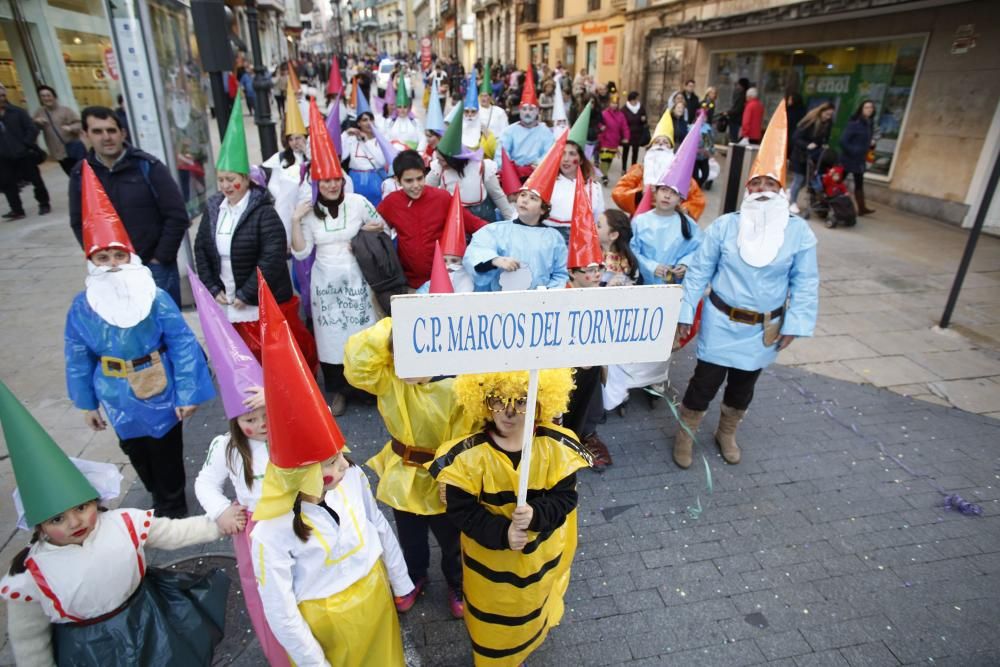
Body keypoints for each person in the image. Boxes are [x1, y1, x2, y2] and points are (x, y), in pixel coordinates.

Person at [0, 381, 228, 667]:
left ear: (95, 500)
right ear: (39, 526)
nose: (74, 522)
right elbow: (30, 641)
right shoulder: (30, 575)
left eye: (82, 507)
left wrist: (219, 524)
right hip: (89, 652)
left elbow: (173, 533)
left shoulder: (123, 523)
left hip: (151, 622)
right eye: (57, 518)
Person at [250, 278, 414, 667]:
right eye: (330, 464)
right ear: (297, 473)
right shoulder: (270, 531)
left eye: (340, 456)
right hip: (326, 622)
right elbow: (281, 608)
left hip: (374, 598)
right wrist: (312, 661)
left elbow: (377, 525)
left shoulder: (351, 478)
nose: (345, 467)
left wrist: (400, 580)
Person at [672, 101, 818, 469]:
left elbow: (805, 282)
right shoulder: (725, 226)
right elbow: (699, 272)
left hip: (762, 328)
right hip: (722, 322)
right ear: (748, 188)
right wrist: (686, 313)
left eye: (772, 183)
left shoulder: (798, 233)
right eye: (758, 183)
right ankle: (686, 434)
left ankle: (726, 432)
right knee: (703, 383)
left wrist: (796, 324)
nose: (764, 189)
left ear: (781, 190)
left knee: (743, 386)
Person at [66, 163, 215, 517]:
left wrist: (187, 392)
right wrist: (87, 403)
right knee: (135, 450)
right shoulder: (83, 306)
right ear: (92, 261)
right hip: (115, 391)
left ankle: (173, 507)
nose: (113, 264)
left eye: (119, 255)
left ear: (129, 255)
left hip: (157, 383)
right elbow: (77, 352)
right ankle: (156, 495)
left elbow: (181, 342)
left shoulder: (153, 296)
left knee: (165, 451)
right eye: (104, 257)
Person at [428, 369, 592, 666]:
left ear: (541, 402)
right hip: (489, 572)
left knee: (530, 616)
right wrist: (501, 532)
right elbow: (461, 511)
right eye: (498, 400)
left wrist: (537, 514)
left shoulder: (557, 446)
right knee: (493, 633)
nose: (509, 410)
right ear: (482, 401)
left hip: (538, 564)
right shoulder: (467, 456)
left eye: (521, 401)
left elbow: (566, 497)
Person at [345, 316, 477, 618]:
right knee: (410, 534)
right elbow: (357, 363)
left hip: (443, 474)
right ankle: (414, 575)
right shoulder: (389, 377)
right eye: (400, 359)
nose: (404, 369)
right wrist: (399, 326)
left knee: (452, 537)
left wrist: (452, 476)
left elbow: (466, 434)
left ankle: (458, 583)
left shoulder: (457, 388)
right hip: (403, 473)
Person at [189, 273, 289, 667]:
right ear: (234, 420)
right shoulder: (228, 448)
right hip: (255, 534)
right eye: (249, 420)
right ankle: (281, 656)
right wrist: (220, 511)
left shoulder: (289, 431)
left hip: (296, 523)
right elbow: (204, 482)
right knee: (266, 597)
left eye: (266, 414)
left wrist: (280, 396)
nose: (260, 425)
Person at [194, 93, 318, 371]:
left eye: (232, 180)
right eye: (222, 180)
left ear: (246, 180)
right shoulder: (214, 207)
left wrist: (247, 293)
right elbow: (201, 249)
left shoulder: (264, 211)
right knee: (242, 364)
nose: (226, 186)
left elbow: (272, 257)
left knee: (274, 360)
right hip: (227, 299)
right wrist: (214, 288)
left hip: (259, 300)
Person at [291, 101, 384, 415]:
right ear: (318, 183)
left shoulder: (357, 203)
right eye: (325, 181)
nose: (331, 184)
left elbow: (381, 224)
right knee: (331, 337)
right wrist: (295, 220)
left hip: (357, 278)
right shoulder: (310, 213)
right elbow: (301, 251)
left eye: (336, 180)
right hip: (326, 283)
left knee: (361, 332)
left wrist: (367, 233)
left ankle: (365, 387)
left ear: (342, 181)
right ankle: (339, 392)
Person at [69, 106, 188, 305]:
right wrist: (101, 258)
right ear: (85, 135)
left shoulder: (148, 167)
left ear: (122, 133)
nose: (106, 137)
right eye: (97, 131)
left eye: (111, 130)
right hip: (110, 270)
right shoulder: (81, 174)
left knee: (164, 328)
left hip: (153, 266)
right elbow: (78, 222)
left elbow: (177, 216)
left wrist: (160, 258)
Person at [464, 133, 570, 292]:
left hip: (539, 306)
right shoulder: (496, 231)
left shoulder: (554, 238)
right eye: (522, 195)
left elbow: (560, 274)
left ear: (543, 209)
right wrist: (495, 260)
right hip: (502, 305)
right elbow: (475, 253)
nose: (525, 200)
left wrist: (549, 293)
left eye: (533, 198)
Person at [377, 150, 488, 289]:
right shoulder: (392, 202)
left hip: (445, 280)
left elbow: (472, 223)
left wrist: (502, 231)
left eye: (419, 178)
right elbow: (375, 225)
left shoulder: (442, 197)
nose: (416, 185)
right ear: (398, 180)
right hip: (411, 284)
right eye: (409, 181)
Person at [563, 172, 614, 470]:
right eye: (587, 270)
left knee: (592, 381)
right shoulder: (556, 296)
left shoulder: (604, 294)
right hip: (561, 366)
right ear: (572, 274)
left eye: (598, 269)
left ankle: (587, 434)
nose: (595, 275)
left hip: (593, 363)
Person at [428, 102, 515, 222]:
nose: (439, 162)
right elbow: (425, 191)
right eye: (438, 159)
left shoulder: (482, 166)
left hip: (481, 216)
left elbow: (497, 196)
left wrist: (512, 220)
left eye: (442, 160)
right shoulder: (438, 167)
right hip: (452, 217)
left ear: (454, 159)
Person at [546, 108, 604, 240]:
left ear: (581, 159)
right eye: (563, 154)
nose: (566, 159)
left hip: (581, 242)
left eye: (572, 154)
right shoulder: (549, 183)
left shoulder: (594, 188)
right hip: (550, 240)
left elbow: (598, 218)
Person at [0, 83, 50, 220]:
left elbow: (31, 129)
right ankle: (17, 210)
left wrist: (26, 144)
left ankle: (44, 203)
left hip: (24, 154)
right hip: (4, 157)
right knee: (7, 184)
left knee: (36, 180)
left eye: (2, 94)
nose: (1, 97)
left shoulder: (17, 112)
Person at [498, 67, 554, 182]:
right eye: (524, 109)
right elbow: (501, 153)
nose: (527, 112)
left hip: (538, 176)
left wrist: (536, 165)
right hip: (513, 176)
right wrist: (511, 169)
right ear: (519, 111)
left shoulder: (545, 131)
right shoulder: (509, 132)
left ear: (537, 111)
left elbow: (549, 153)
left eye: (531, 109)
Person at [788, 101, 835, 214]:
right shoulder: (810, 121)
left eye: (830, 115)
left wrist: (824, 145)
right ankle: (792, 202)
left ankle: (791, 192)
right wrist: (807, 145)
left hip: (812, 156)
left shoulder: (828, 124)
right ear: (821, 112)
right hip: (800, 155)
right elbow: (795, 137)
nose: (828, 117)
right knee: (799, 179)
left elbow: (824, 138)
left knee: (805, 181)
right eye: (827, 114)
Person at [342, 103, 388, 206]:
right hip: (355, 179)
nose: (369, 123)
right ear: (358, 123)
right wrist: (345, 134)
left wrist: (366, 140)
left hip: (376, 179)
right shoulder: (352, 139)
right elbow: (341, 156)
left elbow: (381, 161)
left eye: (371, 119)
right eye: (365, 120)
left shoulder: (381, 139)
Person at [32, 85, 84, 176]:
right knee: (71, 175)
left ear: (54, 97)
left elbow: (79, 124)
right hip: (57, 152)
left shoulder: (65, 111)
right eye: (43, 96)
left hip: (72, 148)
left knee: (83, 173)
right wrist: (36, 123)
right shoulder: (39, 112)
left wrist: (71, 128)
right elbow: (34, 131)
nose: (46, 98)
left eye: (48, 95)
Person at [839, 99, 877, 215]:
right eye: (866, 107)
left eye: (871, 107)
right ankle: (826, 200)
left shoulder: (869, 124)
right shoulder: (855, 123)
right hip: (849, 158)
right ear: (861, 109)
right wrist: (854, 151)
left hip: (860, 159)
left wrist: (871, 144)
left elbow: (864, 140)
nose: (869, 109)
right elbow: (843, 141)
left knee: (859, 183)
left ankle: (861, 207)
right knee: (838, 180)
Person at [597, 209, 638, 287]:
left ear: (613, 235)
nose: (593, 228)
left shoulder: (627, 264)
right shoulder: (590, 255)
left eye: (599, 226)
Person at [597, 95, 629, 186]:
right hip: (605, 139)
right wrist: (601, 127)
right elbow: (598, 122)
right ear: (609, 103)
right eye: (612, 103)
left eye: (615, 103)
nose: (614, 105)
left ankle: (604, 173)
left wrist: (626, 137)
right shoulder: (604, 113)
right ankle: (604, 176)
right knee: (604, 159)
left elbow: (625, 127)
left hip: (614, 141)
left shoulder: (621, 115)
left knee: (609, 159)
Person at [622, 91, 648, 168]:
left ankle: (633, 168)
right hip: (627, 133)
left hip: (637, 133)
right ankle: (624, 168)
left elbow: (645, 118)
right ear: (631, 100)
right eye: (636, 99)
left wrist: (644, 119)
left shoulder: (640, 107)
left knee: (635, 151)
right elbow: (622, 121)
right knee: (625, 151)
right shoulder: (624, 109)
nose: (637, 101)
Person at [726, 77, 749, 142]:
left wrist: (728, 112)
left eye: (738, 84)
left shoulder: (742, 95)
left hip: (736, 119)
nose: (737, 86)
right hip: (736, 119)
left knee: (734, 138)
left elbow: (737, 109)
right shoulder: (740, 94)